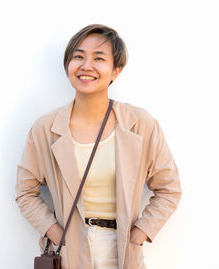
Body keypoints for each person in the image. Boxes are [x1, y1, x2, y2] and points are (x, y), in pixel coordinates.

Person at [15, 24, 182, 269]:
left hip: (122, 248)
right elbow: (25, 192)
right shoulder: (46, 128)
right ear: (68, 65)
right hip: (69, 250)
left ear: (116, 70)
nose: (86, 65)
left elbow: (169, 189)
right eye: (78, 56)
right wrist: (55, 233)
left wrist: (139, 233)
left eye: (99, 58)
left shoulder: (140, 124)